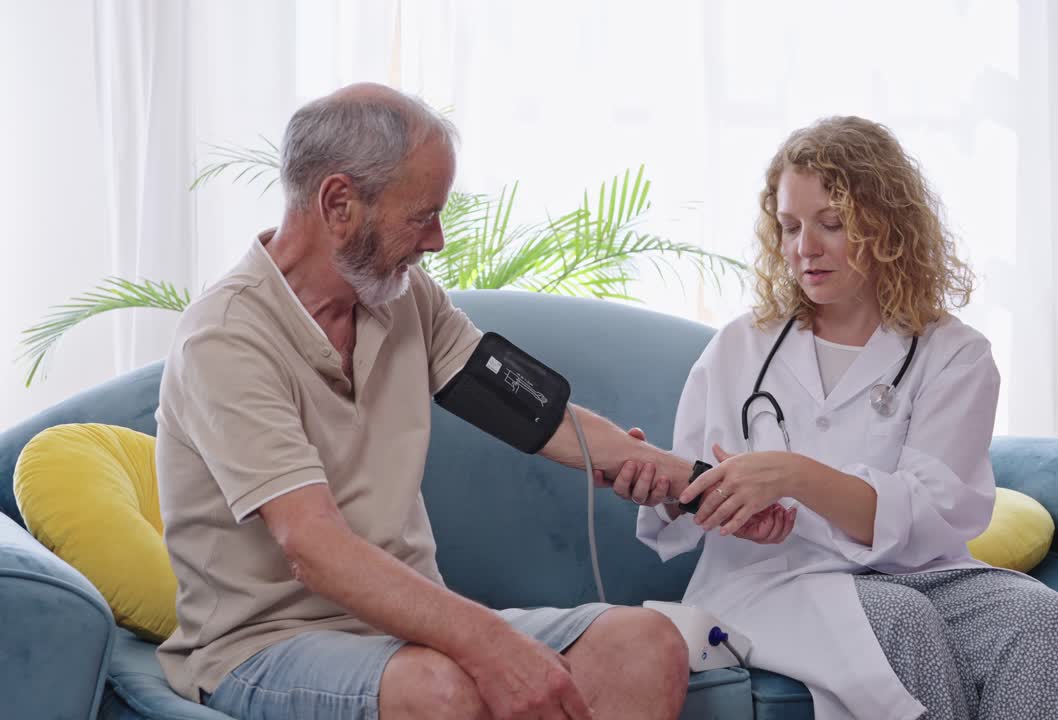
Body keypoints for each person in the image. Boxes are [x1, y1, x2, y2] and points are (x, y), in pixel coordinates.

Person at [154, 83, 694, 720]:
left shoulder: (404, 297)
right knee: (442, 688)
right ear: (338, 203)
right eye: (422, 215)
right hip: (266, 644)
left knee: (646, 645)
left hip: (405, 635)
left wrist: (693, 482)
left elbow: (540, 417)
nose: (437, 239)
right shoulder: (226, 337)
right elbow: (315, 548)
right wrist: (491, 643)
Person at [622, 117, 1058, 719]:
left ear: (887, 227)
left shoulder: (954, 354)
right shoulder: (742, 346)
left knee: (1039, 620)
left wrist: (793, 475)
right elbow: (693, 487)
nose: (803, 248)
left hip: (919, 572)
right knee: (900, 625)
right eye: (789, 227)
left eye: (831, 224)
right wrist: (665, 489)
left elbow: (935, 512)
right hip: (771, 582)